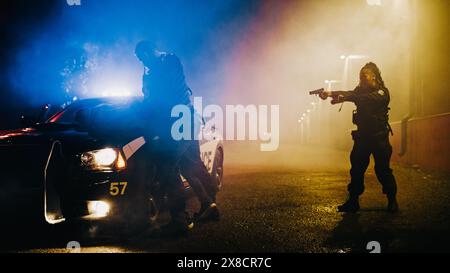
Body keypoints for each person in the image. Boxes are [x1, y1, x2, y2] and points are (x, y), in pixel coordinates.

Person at [319, 62, 398, 213]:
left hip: (379, 138)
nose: (361, 78)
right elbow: (351, 93)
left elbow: (362, 98)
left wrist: (345, 97)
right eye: (360, 75)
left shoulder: (382, 92)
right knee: (356, 170)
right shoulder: (359, 91)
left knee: (382, 170)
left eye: (364, 75)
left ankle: (392, 200)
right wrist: (331, 94)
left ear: (374, 76)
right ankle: (353, 201)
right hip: (363, 138)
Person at [135, 40, 193, 234]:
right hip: (172, 124)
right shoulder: (152, 71)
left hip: (181, 123)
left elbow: (165, 97)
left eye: (143, 56)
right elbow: (150, 100)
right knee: (183, 168)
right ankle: (192, 213)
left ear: (151, 51)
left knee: (169, 168)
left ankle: (180, 221)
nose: (143, 61)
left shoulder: (168, 61)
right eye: (139, 59)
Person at [179, 109, 220, 222]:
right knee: (194, 169)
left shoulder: (170, 98)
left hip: (182, 131)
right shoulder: (183, 100)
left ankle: (208, 205)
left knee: (189, 169)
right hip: (186, 128)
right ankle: (210, 205)